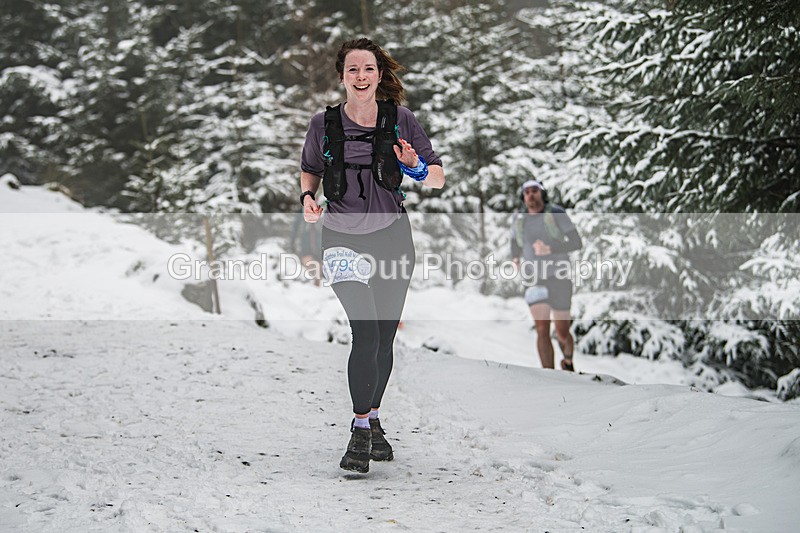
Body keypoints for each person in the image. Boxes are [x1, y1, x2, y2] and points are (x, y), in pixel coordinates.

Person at [299, 38, 445, 473]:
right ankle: (360, 429)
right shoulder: (322, 124)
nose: (360, 77)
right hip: (341, 238)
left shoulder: (401, 120)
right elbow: (310, 168)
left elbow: (436, 177)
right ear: (342, 76)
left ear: (379, 75)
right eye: (352, 70)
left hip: (392, 238)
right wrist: (308, 197)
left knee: (383, 337)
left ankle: (375, 418)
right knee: (364, 331)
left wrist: (417, 167)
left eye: (368, 69)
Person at [511, 179, 582, 371]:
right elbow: (515, 242)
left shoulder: (556, 213)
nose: (531, 195)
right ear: (523, 197)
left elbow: (576, 242)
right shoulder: (519, 218)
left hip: (559, 277)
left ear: (542, 194)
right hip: (533, 278)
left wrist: (551, 248)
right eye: (527, 192)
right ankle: (549, 377)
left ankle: (567, 361)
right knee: (542, 329)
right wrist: (515, 258)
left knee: (562, 333)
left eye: (535, 191)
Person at [290, 208, 323, 286]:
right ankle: (309, 281)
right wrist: (292, 241)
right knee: (307, 258)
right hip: (306, 238)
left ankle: (316, 284)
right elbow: (295, 226)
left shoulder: (323, 206)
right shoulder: (302, 209)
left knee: (318, 261)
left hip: (318, 238)